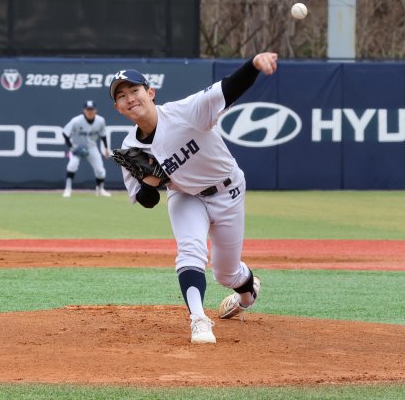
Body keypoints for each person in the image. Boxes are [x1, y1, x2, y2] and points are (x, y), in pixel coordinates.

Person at [109, 53, 278, 344]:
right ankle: (199, 319)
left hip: (227, 190)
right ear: (118, 107)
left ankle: (247, 293)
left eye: (134, 90)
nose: (130, 98)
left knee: (226, 273)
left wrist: (253, 65)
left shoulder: (184, 112)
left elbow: (227, 89)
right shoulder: (131, 147)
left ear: (150, 93)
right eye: (121, 96)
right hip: (185, 196)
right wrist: (152, 180)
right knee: (190, 252)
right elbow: (147, 200)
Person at [62, 100, 112, 198]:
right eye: (88, 109)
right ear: (84, 110)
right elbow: (65, 133)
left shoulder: (100, 120)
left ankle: (100, 189)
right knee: (72, 165)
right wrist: (72, 147)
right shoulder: (76, 121)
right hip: (77, 147)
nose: (90, 111)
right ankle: (67, 189)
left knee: (100, 171)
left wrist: (106, 148)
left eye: (92, 109)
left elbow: (103, 135)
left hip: (91, 147)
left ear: (95, 110)